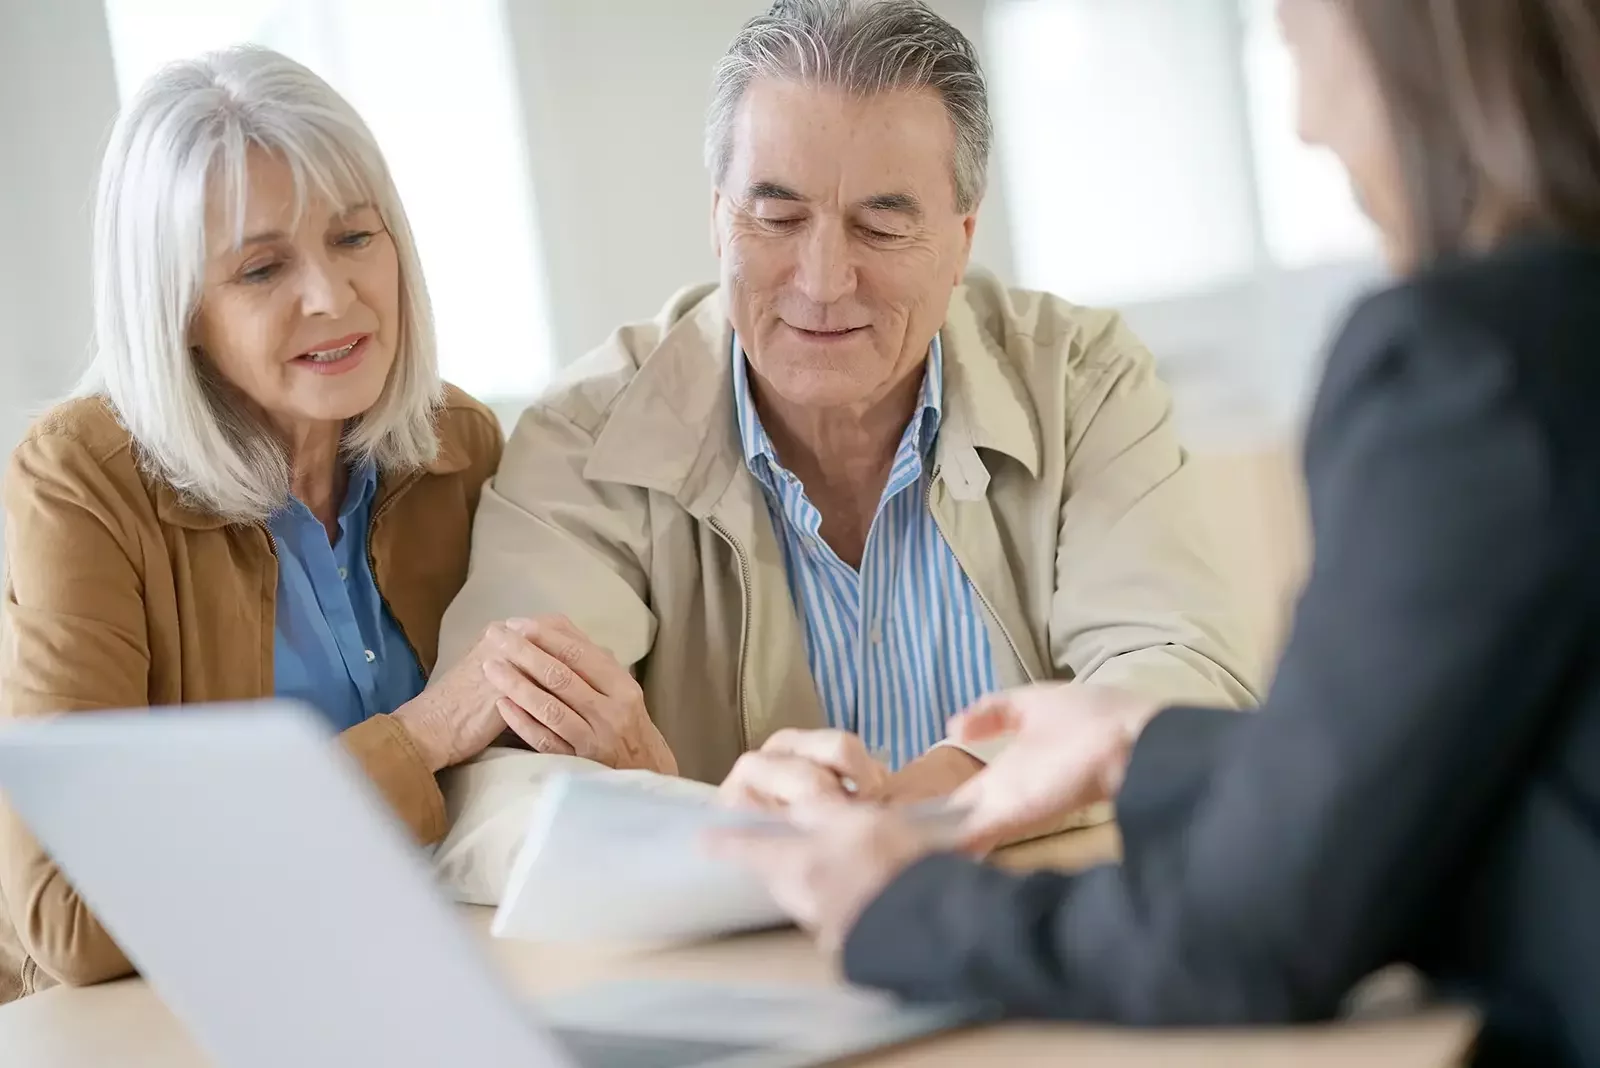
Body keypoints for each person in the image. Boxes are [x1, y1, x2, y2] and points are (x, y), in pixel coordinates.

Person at [714, 2, 1600, 1064]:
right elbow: (1425, 770)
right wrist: (1136, 745)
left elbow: (1257, 935)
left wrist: (902, 904)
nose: (1309, 120)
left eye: (1301, 49)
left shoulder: (1469, 370)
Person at [437, 0, 1258, 807]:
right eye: (776, 216)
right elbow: (490, 780)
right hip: (733, 937)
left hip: (1023, 914)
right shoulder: (586, 435)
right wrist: (699, 830)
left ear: (962, 240)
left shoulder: (1081, 380)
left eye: (882, 227)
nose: (823, 282)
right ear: (720, 222)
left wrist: (924, 804)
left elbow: (1179, 679)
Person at [0, 46, 569, 1002]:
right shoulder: (81, 484)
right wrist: (416, 737)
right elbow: (70, 920)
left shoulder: (457, 445)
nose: (333, 297)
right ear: (177, 307)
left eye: (355, 238)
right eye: (263, 267)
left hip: (410, 979)